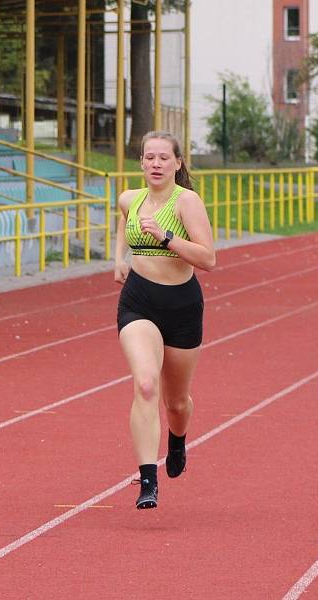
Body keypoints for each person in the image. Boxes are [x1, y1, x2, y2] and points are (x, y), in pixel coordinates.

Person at [114, 131, 216, 509]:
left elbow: (208, 259)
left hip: (181, 306)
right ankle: (148, 480)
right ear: (141, 163)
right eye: (149, 157)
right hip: (138, 302)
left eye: (163, 158)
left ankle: (177, 440)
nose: (156, 164)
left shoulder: (186, 202)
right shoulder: (129, 198)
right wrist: (119, 258)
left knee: (176, 403)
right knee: (144, 384)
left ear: (177, 163)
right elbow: (123, 220)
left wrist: (168, 236)